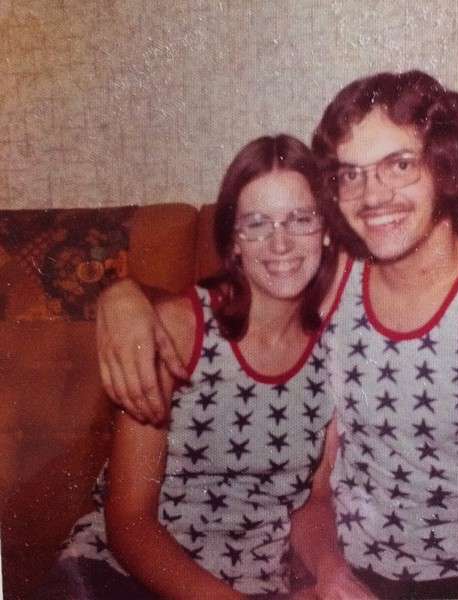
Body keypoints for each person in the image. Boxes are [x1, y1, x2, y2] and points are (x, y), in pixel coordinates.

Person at [96, 71, 458, 599]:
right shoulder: (337, 279)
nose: (373, 195)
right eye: (352, 174)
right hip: (357, 573)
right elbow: (228, 299)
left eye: (399, 165)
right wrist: (124, 296)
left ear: (445, 166)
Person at [46, 134, 345, 599]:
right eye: (257, 223)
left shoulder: (337, 352)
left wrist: (330, 573)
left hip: (256, 586)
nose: (281, 242)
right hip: (125, 578)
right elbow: (129, 521)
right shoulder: (176, 330)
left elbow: (314, 502)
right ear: (234, 242)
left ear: (325, 230)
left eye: (300, 219)